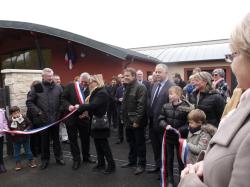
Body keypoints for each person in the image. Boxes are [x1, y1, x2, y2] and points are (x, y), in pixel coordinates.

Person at [179, 12, 250, 187]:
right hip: (197, 135)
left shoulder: (218, 96)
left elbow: (221, 121)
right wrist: (210, 165)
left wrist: (189, 181)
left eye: (233, 55)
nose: (231, 64)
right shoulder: (195, 94)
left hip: (207, 135)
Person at [26, 68, 65, 170]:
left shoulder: (58, 87)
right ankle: (45, 160)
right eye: (48, 76)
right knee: (44, 141)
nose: (51, 78)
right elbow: (29, 102)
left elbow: (63, 101)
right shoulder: (37, 87)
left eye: (51, 76)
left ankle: (59, 157)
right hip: (43, 120)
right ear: (43, 76)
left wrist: (60, 112)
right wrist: (38, 112)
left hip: (56, 119)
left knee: (57, 140)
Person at [78, 75, 116, 174]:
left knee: (104, 145)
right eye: (89, 82)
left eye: (91, 82)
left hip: (100, 123)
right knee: (98, 145)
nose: (89, 84)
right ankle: (101, 164)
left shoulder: (101, 92)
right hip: (96, 122)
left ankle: (111, 166)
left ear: (97, 82)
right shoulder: (96, 92)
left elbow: (93, 105)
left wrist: (80, 107)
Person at [158, 86, 192, 186]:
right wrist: (165, 125)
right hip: (168, 137)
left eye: (172, 94)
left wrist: (180, 130)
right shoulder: (165, 106)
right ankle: (170, 180)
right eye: (169, 93)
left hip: (181, 138)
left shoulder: (186, 107)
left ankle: (182, 179)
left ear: (178, 95)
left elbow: (189, 123)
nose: (169, 96)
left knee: (181, 159)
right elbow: (160, 119)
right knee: (169, 159)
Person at [61, 72, 95, 170]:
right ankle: (76, 159)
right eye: (83, 82)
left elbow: (92, 103)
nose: (84, 84)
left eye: (86, 83)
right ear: (79, 80)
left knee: (86, 139)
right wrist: (68, 106)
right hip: (71, 118)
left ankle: (86, 157)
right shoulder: (70, 86)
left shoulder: (90, 89)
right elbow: (63, 98)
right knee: (73, 140)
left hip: (84, 118)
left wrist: (87, 112)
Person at [148, 64, 175, 173]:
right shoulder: (154, 85)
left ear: (166, 73)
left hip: (164, 125)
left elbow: (173, 107)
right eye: (156, 72)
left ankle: (166, 172)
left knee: (165, 150)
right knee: (155, 147)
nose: (157, 74)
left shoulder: (171, 87)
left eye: (159, 72)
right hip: (152, 123)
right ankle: (158, 166)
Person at [120, 68, 147, 175]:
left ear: (134, 76)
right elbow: (125, 104)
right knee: (131, 142)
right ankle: (132, 161)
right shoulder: (126, 86)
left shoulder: (140, 87)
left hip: (136, 122)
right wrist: (122, 117)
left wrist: (137, 121)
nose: (125, 77)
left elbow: (141, 106)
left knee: (140, 144)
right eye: (124, 75)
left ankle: (141, 164)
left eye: (128, 76)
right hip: (127, 121)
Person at [9, 106, 37, 171]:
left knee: (28, 150)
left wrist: (27, 129)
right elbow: (9, 129)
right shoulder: (10, 120)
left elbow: (30, 124)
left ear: (19, 112)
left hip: (25, 138)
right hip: (15, 139)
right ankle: (18, 163)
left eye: (18, 112)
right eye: (15, 113)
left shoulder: (24, 117)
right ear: (12, 114)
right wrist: (11, 133)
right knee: (16, 152)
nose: (17, 114)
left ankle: (31, 161)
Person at [115, 75, 125, 144]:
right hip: (119, 109)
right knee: (120, 125)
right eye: (122, 81)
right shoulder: (118, 89)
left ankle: (129, 138)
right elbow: (115, 97)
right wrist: (118, 99)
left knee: (127, 125)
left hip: (127, 110)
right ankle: (120, 138)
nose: (123, 82)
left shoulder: (129, 88)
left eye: (124, 81)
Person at [0, 108, 8, 173]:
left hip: (0, 135)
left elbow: (5, 121)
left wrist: (7, 128)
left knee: (0, 151)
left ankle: (1, 164)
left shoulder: (2, 111)